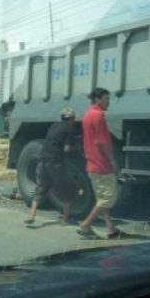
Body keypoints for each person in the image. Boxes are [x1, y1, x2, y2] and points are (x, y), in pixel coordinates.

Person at [77, 87, 120, 240]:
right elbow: (101, 141)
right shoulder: (98, 115)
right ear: (98, 99)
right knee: (108, 198)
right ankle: (86, 225)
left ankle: (111, 228)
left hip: (92, 164)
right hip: (101, 164)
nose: (109, 102)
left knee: (102, 198)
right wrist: (112, 160)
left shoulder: (88, 114)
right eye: (106, 99)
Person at [24, 108, 78, 227]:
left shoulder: (54, 126)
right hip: (55, 162)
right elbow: (67, 149)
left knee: (41, 187)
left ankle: (31, 216)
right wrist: (78, 148)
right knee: (69, 188)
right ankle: (65, 219)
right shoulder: (69, 129)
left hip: (42, 160)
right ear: (72, 119)